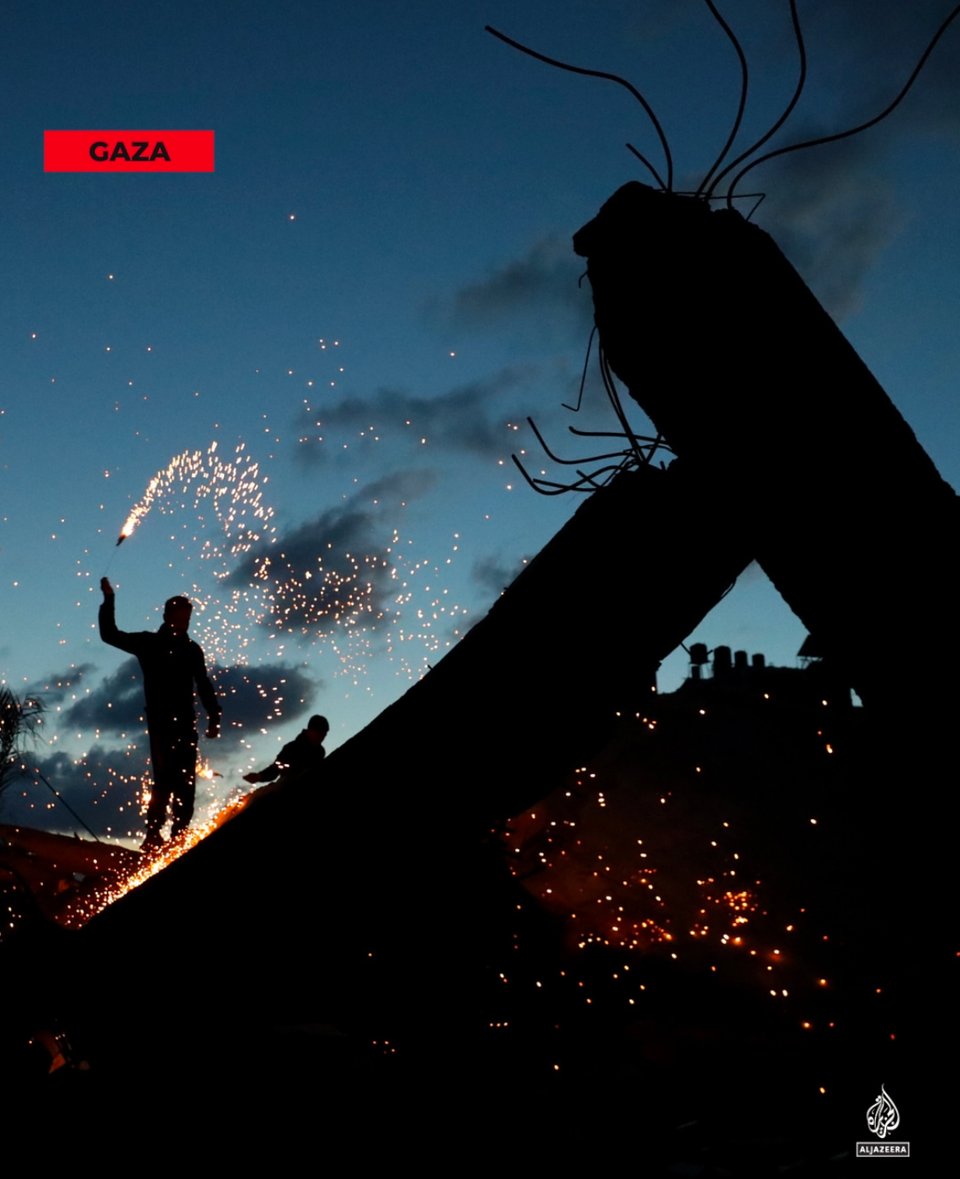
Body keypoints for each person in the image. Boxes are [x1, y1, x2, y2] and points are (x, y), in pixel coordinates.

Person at [99, 577, 221, 850]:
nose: (183, 623)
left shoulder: (192, 650)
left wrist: (214, 716)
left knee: (186, 783)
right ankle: (153, 834)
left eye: (187, 619)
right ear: (167, 617)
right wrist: (109, 600)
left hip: (185, 723)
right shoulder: (149, 643)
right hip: (160, 723)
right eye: (179, 618)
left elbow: (202, 683)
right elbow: (109, 634)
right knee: (164, 779)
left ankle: (179, 836)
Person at [243, 715, 328, 787]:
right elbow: (276, 768)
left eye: (324, 734)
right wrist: (259, 776)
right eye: (319, 733)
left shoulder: (320, 751)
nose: (322, 737)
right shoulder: (291, 748)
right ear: (310, 730)